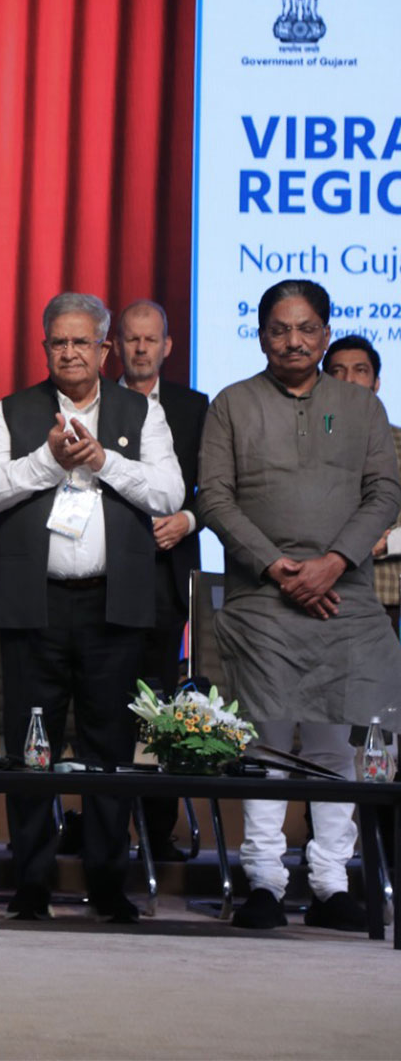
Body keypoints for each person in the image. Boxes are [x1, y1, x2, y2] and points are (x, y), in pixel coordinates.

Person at [0, 292, 183, 923]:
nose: (69, 352)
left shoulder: (141, 412)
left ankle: (108, 883)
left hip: (112, 606)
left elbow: (170, 491)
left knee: (109, 746)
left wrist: (103, 460)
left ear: (104, 348)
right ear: (45, 349)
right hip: (35, 604)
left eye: (81, 342)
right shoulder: (12, 411)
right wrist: (47, 462)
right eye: (58, 342)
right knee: (31, 744)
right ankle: (31, 882)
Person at [198, 280, 401, 932]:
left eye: (307, 328)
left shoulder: (362, 407)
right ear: (261, 335)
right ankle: (264, 881)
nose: (293, 340)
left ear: (325, 332)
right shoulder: (232, 404)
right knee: (264, 742)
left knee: (335, 740)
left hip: (344, 597)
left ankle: (330, 884)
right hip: (263, 598)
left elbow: (384, 493)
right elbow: (214, 497)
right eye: (280, 329)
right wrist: (277, 567)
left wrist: (333, 562)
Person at [113, 299, 209, 862]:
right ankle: (106, 830)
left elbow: (218, 487)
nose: (142, 348)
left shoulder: (195, 408)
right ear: (117, 346)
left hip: (165, 575)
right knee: (108, 703)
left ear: (168, 346)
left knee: (160, 707)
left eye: (152, 339)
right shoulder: (98, 403)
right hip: (105, 574)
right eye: (132, 338)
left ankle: (156, 830)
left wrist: (189, 519)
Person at [322, 335, 401, 634]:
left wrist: (384, 543)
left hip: (387, 593)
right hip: (320, 592)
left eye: (360, 370)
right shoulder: (306, 439)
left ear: (376, 383)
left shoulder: (399, 442)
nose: (349, 380)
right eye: (338, 371)